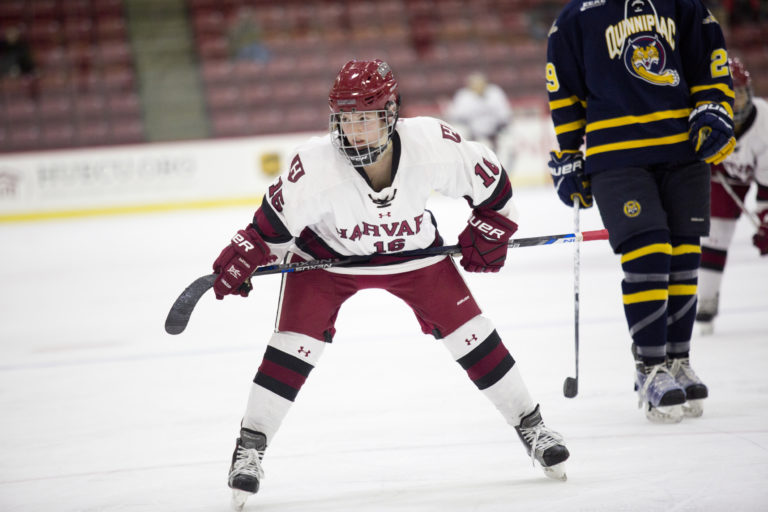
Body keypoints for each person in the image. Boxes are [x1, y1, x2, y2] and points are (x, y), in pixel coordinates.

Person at [211, 59, 569, 511]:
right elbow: (268, 230)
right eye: (345, 118)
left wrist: (492, 226)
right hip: (328, 259)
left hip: (413, 255)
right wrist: (249, 255)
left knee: (472, 333)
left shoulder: (430, 144)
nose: (353, 131)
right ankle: (251, 446)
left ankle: (531, 425)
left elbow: (494, 187)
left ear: (390, 115)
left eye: (365, 118)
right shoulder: (315, 165)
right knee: (292, 345)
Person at [545, 0, 735, 423]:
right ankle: (650, 369)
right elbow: (565, 91)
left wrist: (712, 107)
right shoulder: (575, 17)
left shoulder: (681, 3)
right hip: (616, 156)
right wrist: (570, 152)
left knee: (684, 259)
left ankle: (677, 360)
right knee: (648, 253)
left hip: (683, 149)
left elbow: (710, 59)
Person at [696, 57, 768, 334]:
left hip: (758, 171)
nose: (734, 102)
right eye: (727, 95)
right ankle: (706, 298)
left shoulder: (763, 124)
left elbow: (766, 185)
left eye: (738, 94)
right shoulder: (704, 117)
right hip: (724, 176)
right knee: (716, 234)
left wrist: (764, 218)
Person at [445, 71, 512, 153]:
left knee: (508, 141)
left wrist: (497, 127)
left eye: (480, 83)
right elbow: (455, 116)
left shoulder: (495, 92)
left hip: (495, 134)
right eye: (475, 84)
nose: (478, 86)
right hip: (472, 135)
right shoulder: (463, 96)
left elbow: (504, 114)